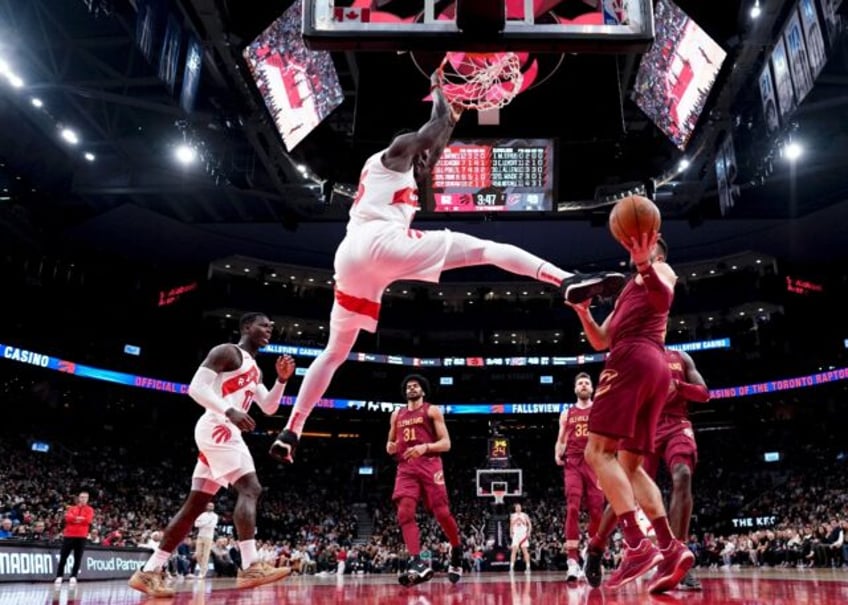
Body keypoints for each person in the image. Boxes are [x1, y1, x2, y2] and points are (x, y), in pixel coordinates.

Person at [269, 69, 624, 463]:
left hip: (352, 260)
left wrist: (453, 117)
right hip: (380, 244)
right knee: (487, 249)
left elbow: (433, 147)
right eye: (425, 153)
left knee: (335, 353)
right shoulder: (395, 152)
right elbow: (430, 133)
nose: (428, 160)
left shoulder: (401, 173)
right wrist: (441, 89)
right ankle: (565, 279)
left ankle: (292, 428)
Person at [128, 313, 294, 597]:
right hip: (218, 428)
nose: (269, 329)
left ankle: (149, 572)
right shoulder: (227, 351)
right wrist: (228, 410)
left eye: (271, 326)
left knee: (194, 507)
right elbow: (196, 388)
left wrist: (281, 381)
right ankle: (251, 563)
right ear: (245, 327)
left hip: (221, 431)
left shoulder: (256, 369)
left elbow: (268, 407)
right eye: (263, 324)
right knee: (251, 488)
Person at [567, 233, 693, 593]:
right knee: (631, 466)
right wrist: (584, 313)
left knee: (596, 452)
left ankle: (637, 545)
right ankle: (670, 548)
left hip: (633, 361)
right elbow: (601, 339)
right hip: (648, 368)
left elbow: (664, 293)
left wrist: (644, 262)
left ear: (656, 250)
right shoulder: (628, 292)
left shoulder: (661, 270)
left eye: (646, 247)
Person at [585, 347, 710, 590]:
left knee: (683, 475)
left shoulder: (681, 358)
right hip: (644, 427)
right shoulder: (635, 355)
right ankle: (596, 547)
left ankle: (678, 556)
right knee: (626, 494)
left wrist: (679, 387)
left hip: (676, 424)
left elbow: (704, 394)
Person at [386, 374, 464, 586]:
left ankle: (457, 551)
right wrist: (391, 447)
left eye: (416, 386)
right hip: (406, 468)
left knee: (442, 513)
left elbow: (446, 444)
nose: (412, 388)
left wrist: (425, 447)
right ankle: (417, 561)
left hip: (430, 465)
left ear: (423, 390)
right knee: (404, 512)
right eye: (409, 386)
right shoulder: (397, 414)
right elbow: (390, 443)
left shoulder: (432, 410)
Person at [555, 372, 605, 582]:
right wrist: (558, 451)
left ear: (592, 388)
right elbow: (561, 438)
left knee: (596, 511)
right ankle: (572, 561)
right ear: (576, 389)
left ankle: (592, 556)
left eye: (587, 382)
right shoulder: (567, 413)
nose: (584, 385)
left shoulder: (600, 409)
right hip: (573, 462)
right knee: (573, 507)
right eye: (580, 383)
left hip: (594, 462)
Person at [54, 491, 94, 588]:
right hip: (69, 535)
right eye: (81, 497)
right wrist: (80, 519)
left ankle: (73, 576)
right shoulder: (72, 508)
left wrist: (76, 519)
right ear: (78, 498)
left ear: (87, 499)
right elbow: (68, 518)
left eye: (85, 497)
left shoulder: (90, 510)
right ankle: (59, 576)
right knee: (63, 556)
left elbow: (88, 520)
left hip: (82, 536)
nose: (83, 499)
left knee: (78, 557)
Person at [194, 502, 219, 578]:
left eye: (212, 506)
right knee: (198, 554)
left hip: (209, 537)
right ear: (206, 506)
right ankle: (204, 568)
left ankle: (202, 572)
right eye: (209, 506)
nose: (210, 507)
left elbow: (212, 525)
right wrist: (206, 523)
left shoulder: (215, 516)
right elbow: (196, 524)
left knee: (206, 555)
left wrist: (202, 524)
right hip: (200, 536)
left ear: (213, 507)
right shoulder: (202, 515)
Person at [508, 503, 532, 573]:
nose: (518, 508)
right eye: (517, 507)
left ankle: (528, 568)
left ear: (521, 508)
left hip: (523, 534)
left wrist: (529, 532)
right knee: (514, 551)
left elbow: (530, 524)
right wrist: (511, 533)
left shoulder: (524, 515)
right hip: (516, 534)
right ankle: (511, 568)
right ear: (515, 509)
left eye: (519, 507)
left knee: (525, 551)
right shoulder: (512, 516)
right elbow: (511, 525)